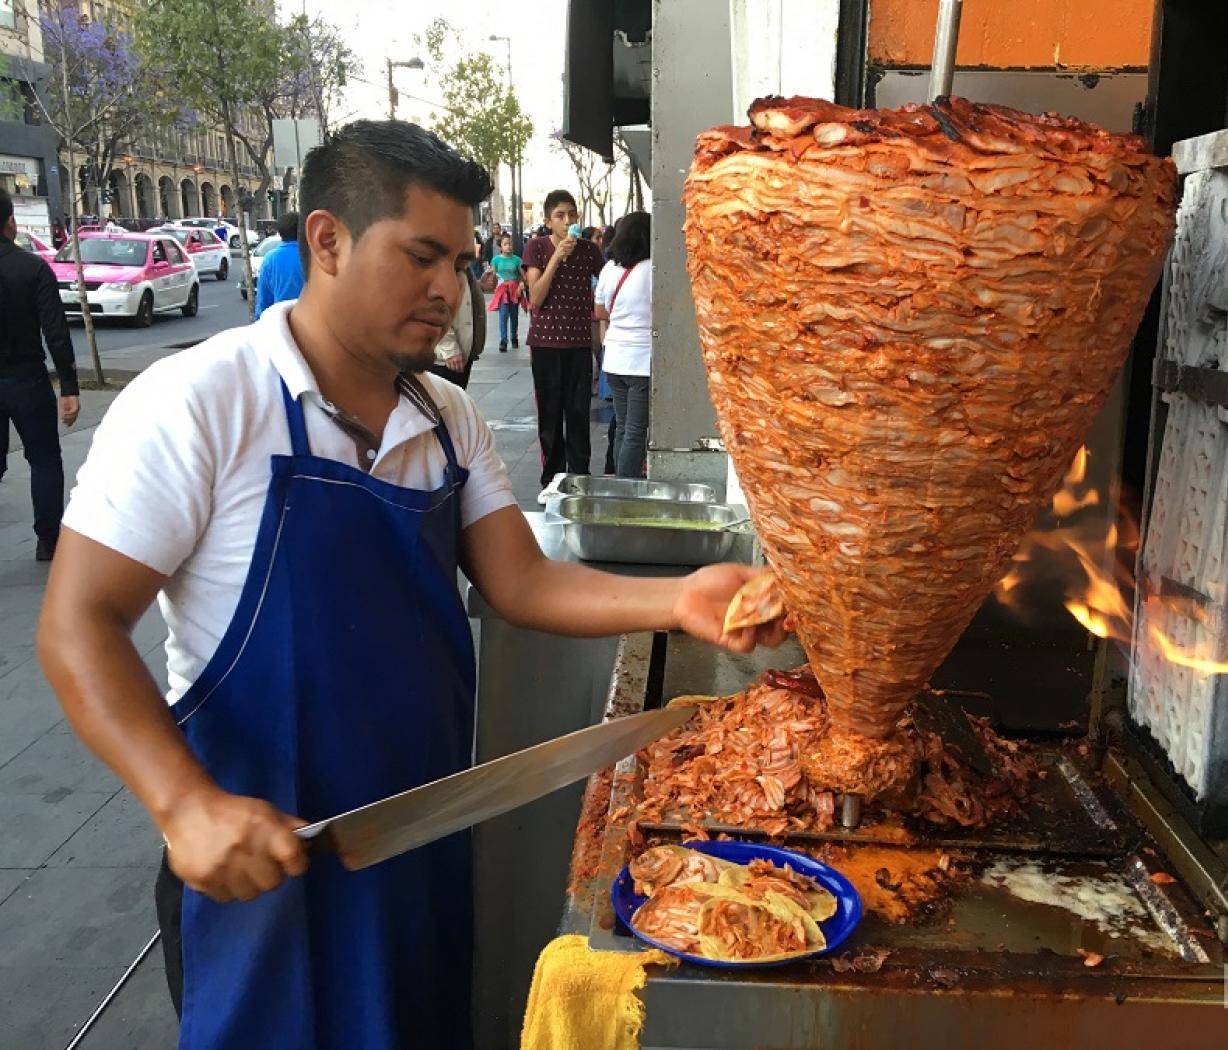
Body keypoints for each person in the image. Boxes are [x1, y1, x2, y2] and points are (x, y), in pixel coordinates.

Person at [35, 121, 781, 1050]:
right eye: (422, 256)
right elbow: (77, 623)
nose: (449, 291)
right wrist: (182, 803)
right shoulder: (200, 401)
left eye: (462, 263)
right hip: (264, 857)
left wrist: (676, 603)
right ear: (328, 240)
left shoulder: (446, 414)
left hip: (413, 836)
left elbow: (521, 581)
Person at [0, 189, 81, 561]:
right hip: (27, 377)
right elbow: (56, 332)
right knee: (44, 458)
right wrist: (68, 385)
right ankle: (49, 537)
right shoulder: (33, 268)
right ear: (10, 223)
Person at [521, 190, 605, 493]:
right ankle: (552, 480)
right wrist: (557, 257)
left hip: (579, 342)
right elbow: (536, 299)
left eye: (572, 214)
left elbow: (606, 283)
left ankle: (580, 477)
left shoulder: (589, 251)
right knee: (550, 415)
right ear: (548, 220)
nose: (567, 220)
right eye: (560, 215)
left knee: (579, 413)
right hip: (545, 344)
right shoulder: (537, 248)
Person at [594, 211, 652, 479]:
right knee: (635, 431)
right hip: (640, 360)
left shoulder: (609, 269)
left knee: (622, 428)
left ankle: (618, 483)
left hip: (614, 357)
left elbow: (600, 312)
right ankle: (627, 488)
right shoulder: (652, 270)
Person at [430, 266, 487, 388]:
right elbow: (433, 307)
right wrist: (450, 348)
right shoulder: (442, 261)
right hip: (445, 358)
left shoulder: (462, 263)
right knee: (445, 403)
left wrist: (479, 285)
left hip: (464, 349)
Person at [254, 210, 306, 319]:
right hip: (309, 321)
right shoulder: (312, 257)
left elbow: (263, 299)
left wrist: (259, 321)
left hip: (281, 321)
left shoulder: (270, 259)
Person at [487, 233, 525, 351]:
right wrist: (492, 275)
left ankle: (514, 337)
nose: (508, 246)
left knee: (514, 316)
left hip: (514, 290)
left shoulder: (517, 260)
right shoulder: (496, 259)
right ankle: (503, 340)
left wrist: (522, 284)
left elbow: (523, 276)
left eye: (510, 244)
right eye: (505, 244)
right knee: (503, 316)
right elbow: (493, 274)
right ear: (501, 246)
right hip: (502, 290)